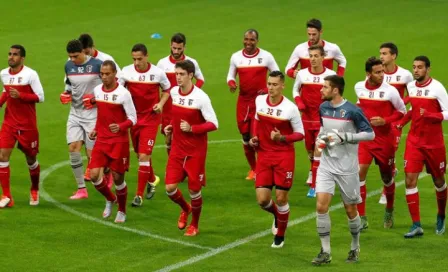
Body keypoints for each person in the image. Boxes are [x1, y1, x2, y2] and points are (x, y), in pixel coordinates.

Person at [311, 75, 374, 265]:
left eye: (325, 87)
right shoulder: (323, 107)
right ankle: (325, 252)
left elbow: (370, 134)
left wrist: (345, 137)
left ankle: (355, 247)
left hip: (347, 168)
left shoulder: (352, 111)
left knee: (350, 209)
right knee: (321, 206)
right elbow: (324, 130)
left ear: (335, 90)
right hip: (327, 166)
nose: (321, 90)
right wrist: (320, 140)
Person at [249, 71, 304, 248]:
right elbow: (257, 120)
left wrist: (282, 138)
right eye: (269, 84)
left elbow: (300, 134)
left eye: (274, 84)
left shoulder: (290, 108)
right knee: (263, 200)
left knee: (281, 198)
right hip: (264, 155)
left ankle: (280, 236)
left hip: (283, 156)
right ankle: (277, 216)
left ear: (282, 86)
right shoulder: (259, 101)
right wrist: (254, 137)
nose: (271, 88)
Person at [164, 60, 218, 236]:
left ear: (191, 76)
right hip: (178, 150)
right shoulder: (174, 92)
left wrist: (193, 128)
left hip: (196, 151)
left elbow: (214, 124)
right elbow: (176, 115)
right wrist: (171, 126)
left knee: (194, 190)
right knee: (170, 188)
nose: (177, 78)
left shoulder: (201, 97)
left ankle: (194, 224)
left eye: (181, 74)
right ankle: (185, 208)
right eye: (176, 74)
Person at [396, 56, 448, 238]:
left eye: (419, 67)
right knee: (410, 180)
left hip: (434, 144)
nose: (416, 70)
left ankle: (441, 215)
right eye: (414, 67)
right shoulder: (411, 87)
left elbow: (447, 112)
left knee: (439, 181)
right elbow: (413, 110)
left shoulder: (437, 88)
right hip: (414, 142)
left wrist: (432, 115)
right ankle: (416, 224)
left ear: (428, 69)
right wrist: (402, 123)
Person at [354, 57, 406, 230]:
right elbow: (361, 105)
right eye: (377, 72)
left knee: (387, 177)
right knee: (360, 173)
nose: (382, 75)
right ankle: (362, 217)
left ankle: (389, 209)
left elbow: (402, 111)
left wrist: (385, 120)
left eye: (382, 71)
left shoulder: (390, 91)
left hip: (384, 140)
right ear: (368, 74)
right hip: (366, 138)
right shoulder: (359, 87)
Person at [86, 60, 136, 223]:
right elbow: (102, 115)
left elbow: (133, 119)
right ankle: (110, 198)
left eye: (107, 74)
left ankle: (121, 211)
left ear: (115, 74)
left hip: (119, 142)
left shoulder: (123, 94)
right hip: (102, 140)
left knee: (117, 178)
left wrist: (120, 126)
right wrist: (96, 129)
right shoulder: (97, 91)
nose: (104, 77)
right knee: (94, 176)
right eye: (102, 74)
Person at [120, 44, 171, 206]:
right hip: (134, 118)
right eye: (134, 59)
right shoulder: (126, 71)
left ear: (147, 56)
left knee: (143, 155)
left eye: (139, 59)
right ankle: (152, 178)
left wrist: (161, 104)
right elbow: (118, 90)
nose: (136, 62)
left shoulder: (157, 73)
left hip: (150, 119)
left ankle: (138, 196)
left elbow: (167, 89)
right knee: (139, 155)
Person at [227, 29, 279, 180]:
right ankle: (254, 169)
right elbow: (231, 75)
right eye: (246, 39)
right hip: (243, 101)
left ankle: (265, 167)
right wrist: (231, 83)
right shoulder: (236, 57)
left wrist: (268, 89)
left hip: (260, 102)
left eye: (252, 40)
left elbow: (277, 73)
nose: (248, 42)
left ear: (257, 41)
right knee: (245, 136)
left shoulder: (266, 56)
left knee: (258, 136)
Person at [0, 45, 44, 208]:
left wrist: (21, 95)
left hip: (27, 125)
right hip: (9, 123)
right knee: (2, 157)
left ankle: (34, 189)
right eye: (10, 54)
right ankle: (7, 196)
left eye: (15, 55)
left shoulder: (30, 75)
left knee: (31, 160)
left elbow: (40, 97)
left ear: (22, 58)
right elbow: (6, 92)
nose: (11, 57)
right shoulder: (3, 74)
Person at [62, 39, 102, 200]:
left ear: (83, 53)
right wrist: (66, 94)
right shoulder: (68, 66)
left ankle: (105, 179)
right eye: (70, 56)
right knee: (73, 147)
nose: (72, 59)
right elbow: (69, 85)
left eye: (75, 56)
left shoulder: (98, 65)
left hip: (93, 115)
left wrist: (94, 99)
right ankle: (81, 189)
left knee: (92, 154)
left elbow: (109, 86)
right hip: (75, 113)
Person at [292, 45, 336, 194]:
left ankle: (315, 185)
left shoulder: (330, 75)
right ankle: (313, 170)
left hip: (323, 120)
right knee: (310, 150)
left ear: (323, 57)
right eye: (311, 56)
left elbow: (335, 95)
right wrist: (299, 101)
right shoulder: (302, 74)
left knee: (320, 150)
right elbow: (295, 89)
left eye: (316, 56)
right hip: (306, 118)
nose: (313, 59)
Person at [157, 33, 205, 157]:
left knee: (183, 137)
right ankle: (174, 164)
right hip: (168, 108)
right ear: (170, 46)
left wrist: (191, 93)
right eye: (174, 48)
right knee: (168, 139)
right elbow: (157, 85)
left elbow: (200, 80)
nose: (176, 51)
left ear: (184, 47)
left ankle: (182, 165)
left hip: (185, 107)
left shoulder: (191, 62)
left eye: (179, 48)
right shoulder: (162, 63)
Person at [377, 42, 413, 204]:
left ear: (393, 56)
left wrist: (400, 102)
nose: (381, 56)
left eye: (385, 53)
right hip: (380, 120)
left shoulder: (405, 75)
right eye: (380, 53)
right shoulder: (376, 73)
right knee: (381, 155)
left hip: (396, 120)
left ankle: (386, 191)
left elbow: (413, 94)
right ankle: (393, 170)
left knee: (389, 152)